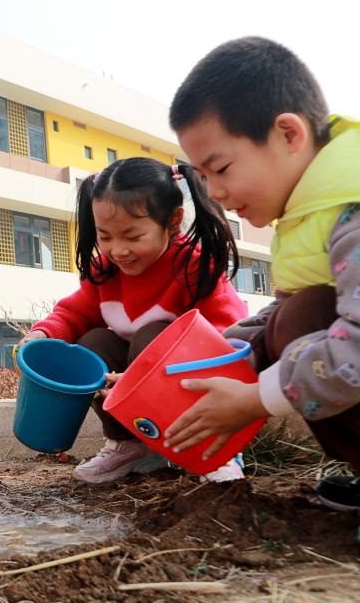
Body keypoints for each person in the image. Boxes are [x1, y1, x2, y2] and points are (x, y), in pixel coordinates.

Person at [166, 36, 360, 561]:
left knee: (308, 322)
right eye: (202, 176)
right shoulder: (323, 208)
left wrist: (259, 398)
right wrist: (188, 363)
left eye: (221, 168)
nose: (212, 192)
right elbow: (279, 319)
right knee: (298, 320)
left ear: (288, 133)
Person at [19, 157, 248, 484]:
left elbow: (228, 333)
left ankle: (216, 449)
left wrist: (148, 376)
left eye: (132, 235)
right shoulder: (106, 272)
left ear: (172, 221)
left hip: (193, 385)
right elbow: (74, 312)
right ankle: (131, 445)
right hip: (135, 392)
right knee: (93, 343)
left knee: (153, 335)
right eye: (106, 237)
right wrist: (42, 334)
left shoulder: (193, 267)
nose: (118, 250)